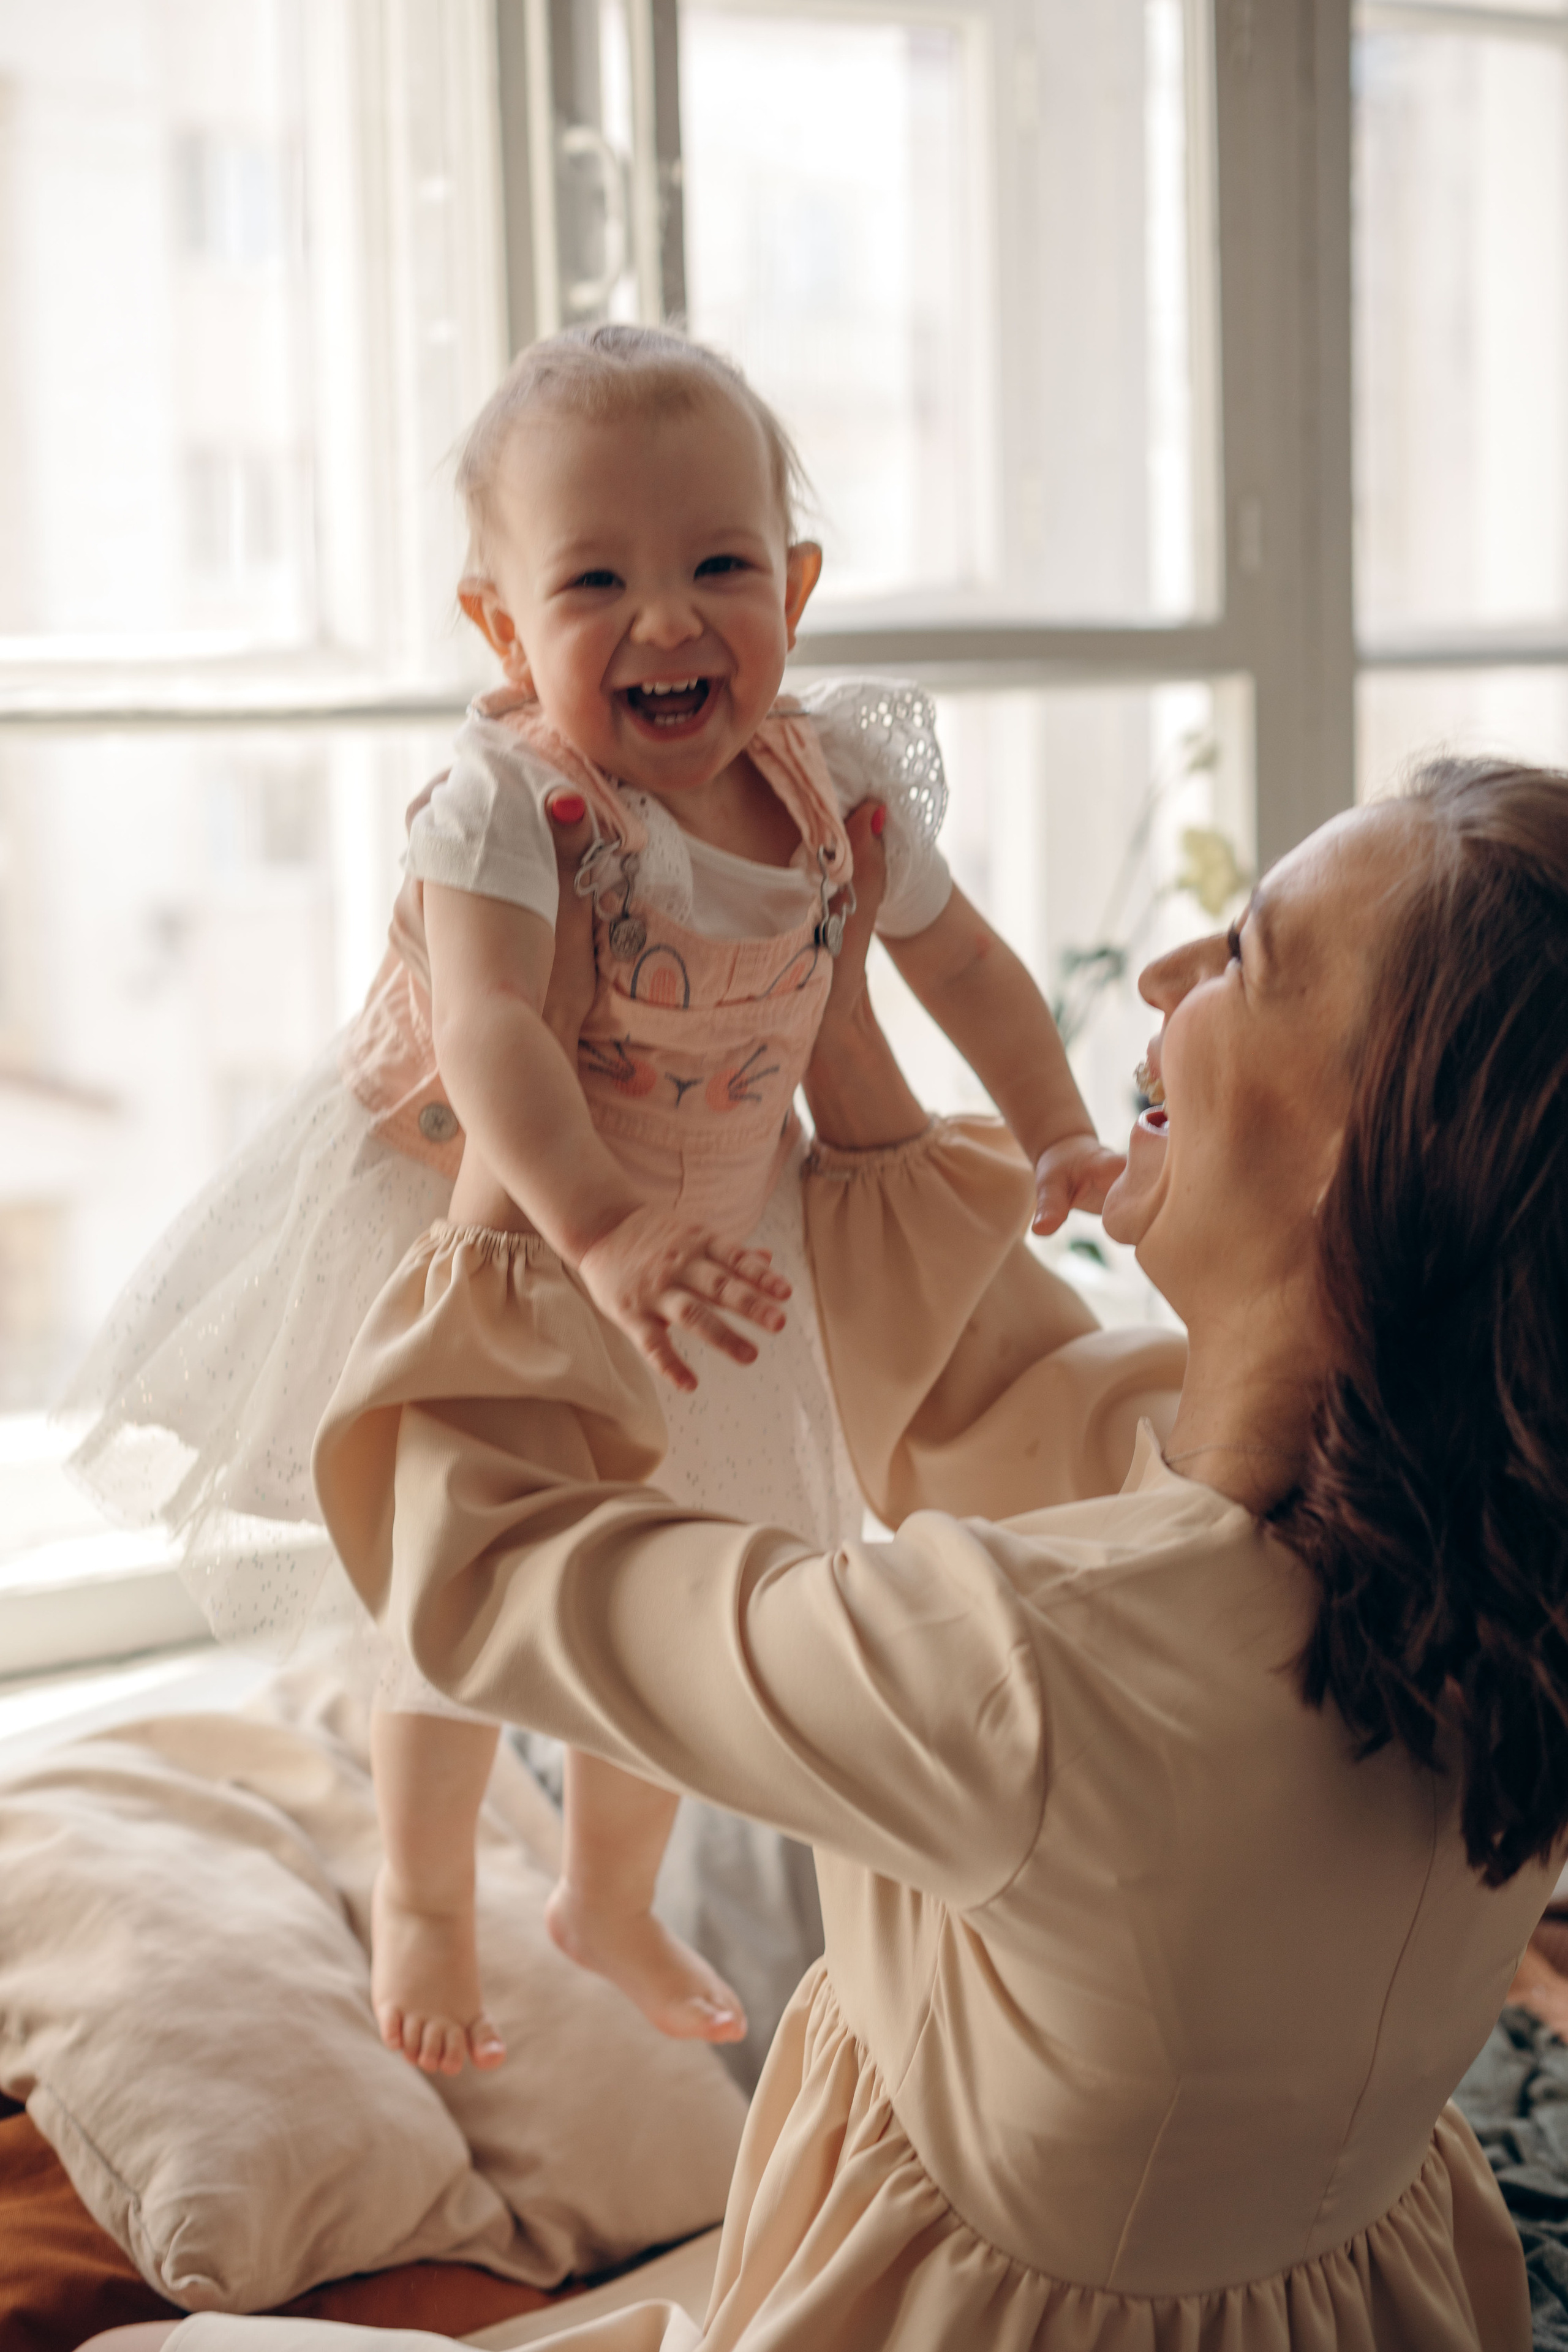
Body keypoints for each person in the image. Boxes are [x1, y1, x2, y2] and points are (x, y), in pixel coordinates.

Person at [308, 754, 1568, 2349]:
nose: (1173, 973)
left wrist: (521, 1146)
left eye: (1245, 954)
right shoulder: (1493, 1551)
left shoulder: (1019, 1667)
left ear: (1361, 1155)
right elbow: (1002, 1395)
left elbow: (491, 1567)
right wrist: (836, 1048)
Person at [61, 321, 1123, 2076]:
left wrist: (1062, 1124)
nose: (667, 620)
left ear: (797, 583)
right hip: (521, 1236)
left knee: (683, 1592)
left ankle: (607, 1894)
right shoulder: (510, 804)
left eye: (718, 565)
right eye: (595, 580)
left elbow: (972, 964)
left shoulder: (831, 777)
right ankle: (425, 1892)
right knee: (468, 1580)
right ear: (499, 626)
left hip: (734, 1258)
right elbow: (489, 1031)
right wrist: (605, 1232)